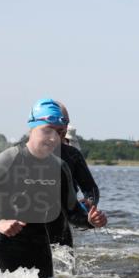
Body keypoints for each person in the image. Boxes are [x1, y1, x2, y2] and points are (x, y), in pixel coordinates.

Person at [0, 99, 107, 278]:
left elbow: (72, 213)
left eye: (60, 132)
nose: (53, 138)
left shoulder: (61, 167)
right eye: (47, 130)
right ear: (32, 128)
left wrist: (90, 221)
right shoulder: (8, 159)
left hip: (40, 255)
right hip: (3, 253)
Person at [48, 102, 100, 247]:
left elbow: (91, 188)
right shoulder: (21, 154)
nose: (64, 126)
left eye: (66, 123)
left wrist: (90, 202)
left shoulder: (72, 155)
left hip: (65, 218)